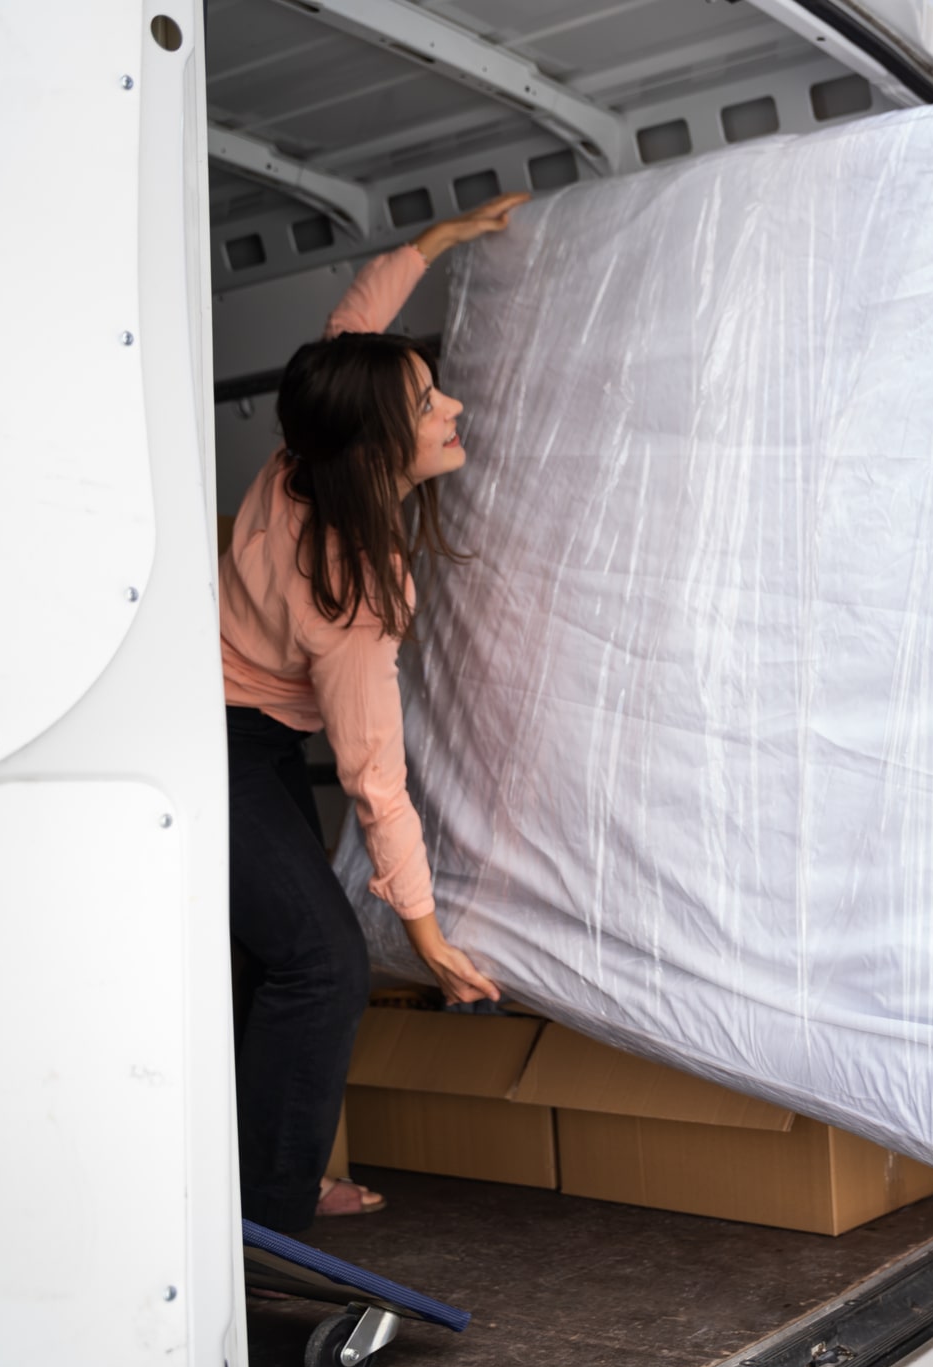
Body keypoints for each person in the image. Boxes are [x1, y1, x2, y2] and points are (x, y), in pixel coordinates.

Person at [222, 192, 527, 1231]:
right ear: (377, 445)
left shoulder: (310, 450)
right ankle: (266, 1220)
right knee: (323, 961)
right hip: (216, 738)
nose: (454, 412)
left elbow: (349, 332)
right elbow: (374, 776)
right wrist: (428, 937)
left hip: (240, 732)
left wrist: (434, 245)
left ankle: (246, 1182)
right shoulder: (349, 591)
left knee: (279, 950)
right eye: (430, 405)